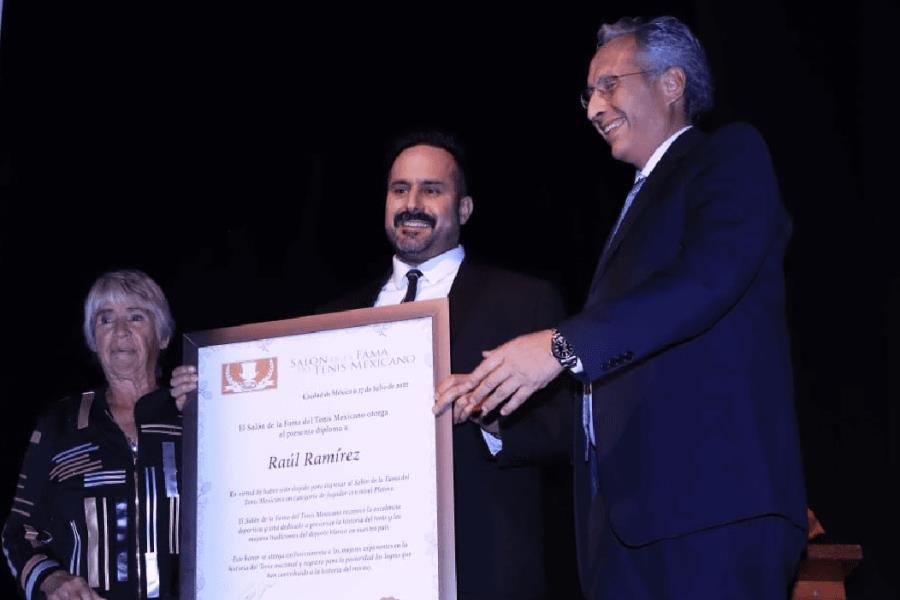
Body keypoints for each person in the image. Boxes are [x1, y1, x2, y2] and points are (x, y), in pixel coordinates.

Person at [436, 16, 807, 599]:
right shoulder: (635, 205)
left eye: (609, 85)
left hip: (709, 514)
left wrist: (561, 346)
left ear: (672, 83)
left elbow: (706, 280)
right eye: (588, 94)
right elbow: (618, 385)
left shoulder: (728, 156)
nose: (592, 109)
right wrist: (496, 398)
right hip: (624, 534)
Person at [172, 130, 578, 599]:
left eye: (432, 189)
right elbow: (293, 429)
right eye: (399, 189)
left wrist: (487, 412)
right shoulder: (330, 320)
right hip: (357, 571)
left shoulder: (522, 300)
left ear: (463, 209)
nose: (412, 202)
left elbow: (567, 426)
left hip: (481, 568)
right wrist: (214, 402)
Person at [3, 270, 182, 600]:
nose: (121, 331)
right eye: (105, 320)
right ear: (92, 340)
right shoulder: (60, 423)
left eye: (136, 317)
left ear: (163, 336)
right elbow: (18, 531)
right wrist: (51, 578)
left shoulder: (193, 416)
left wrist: (213, 405)